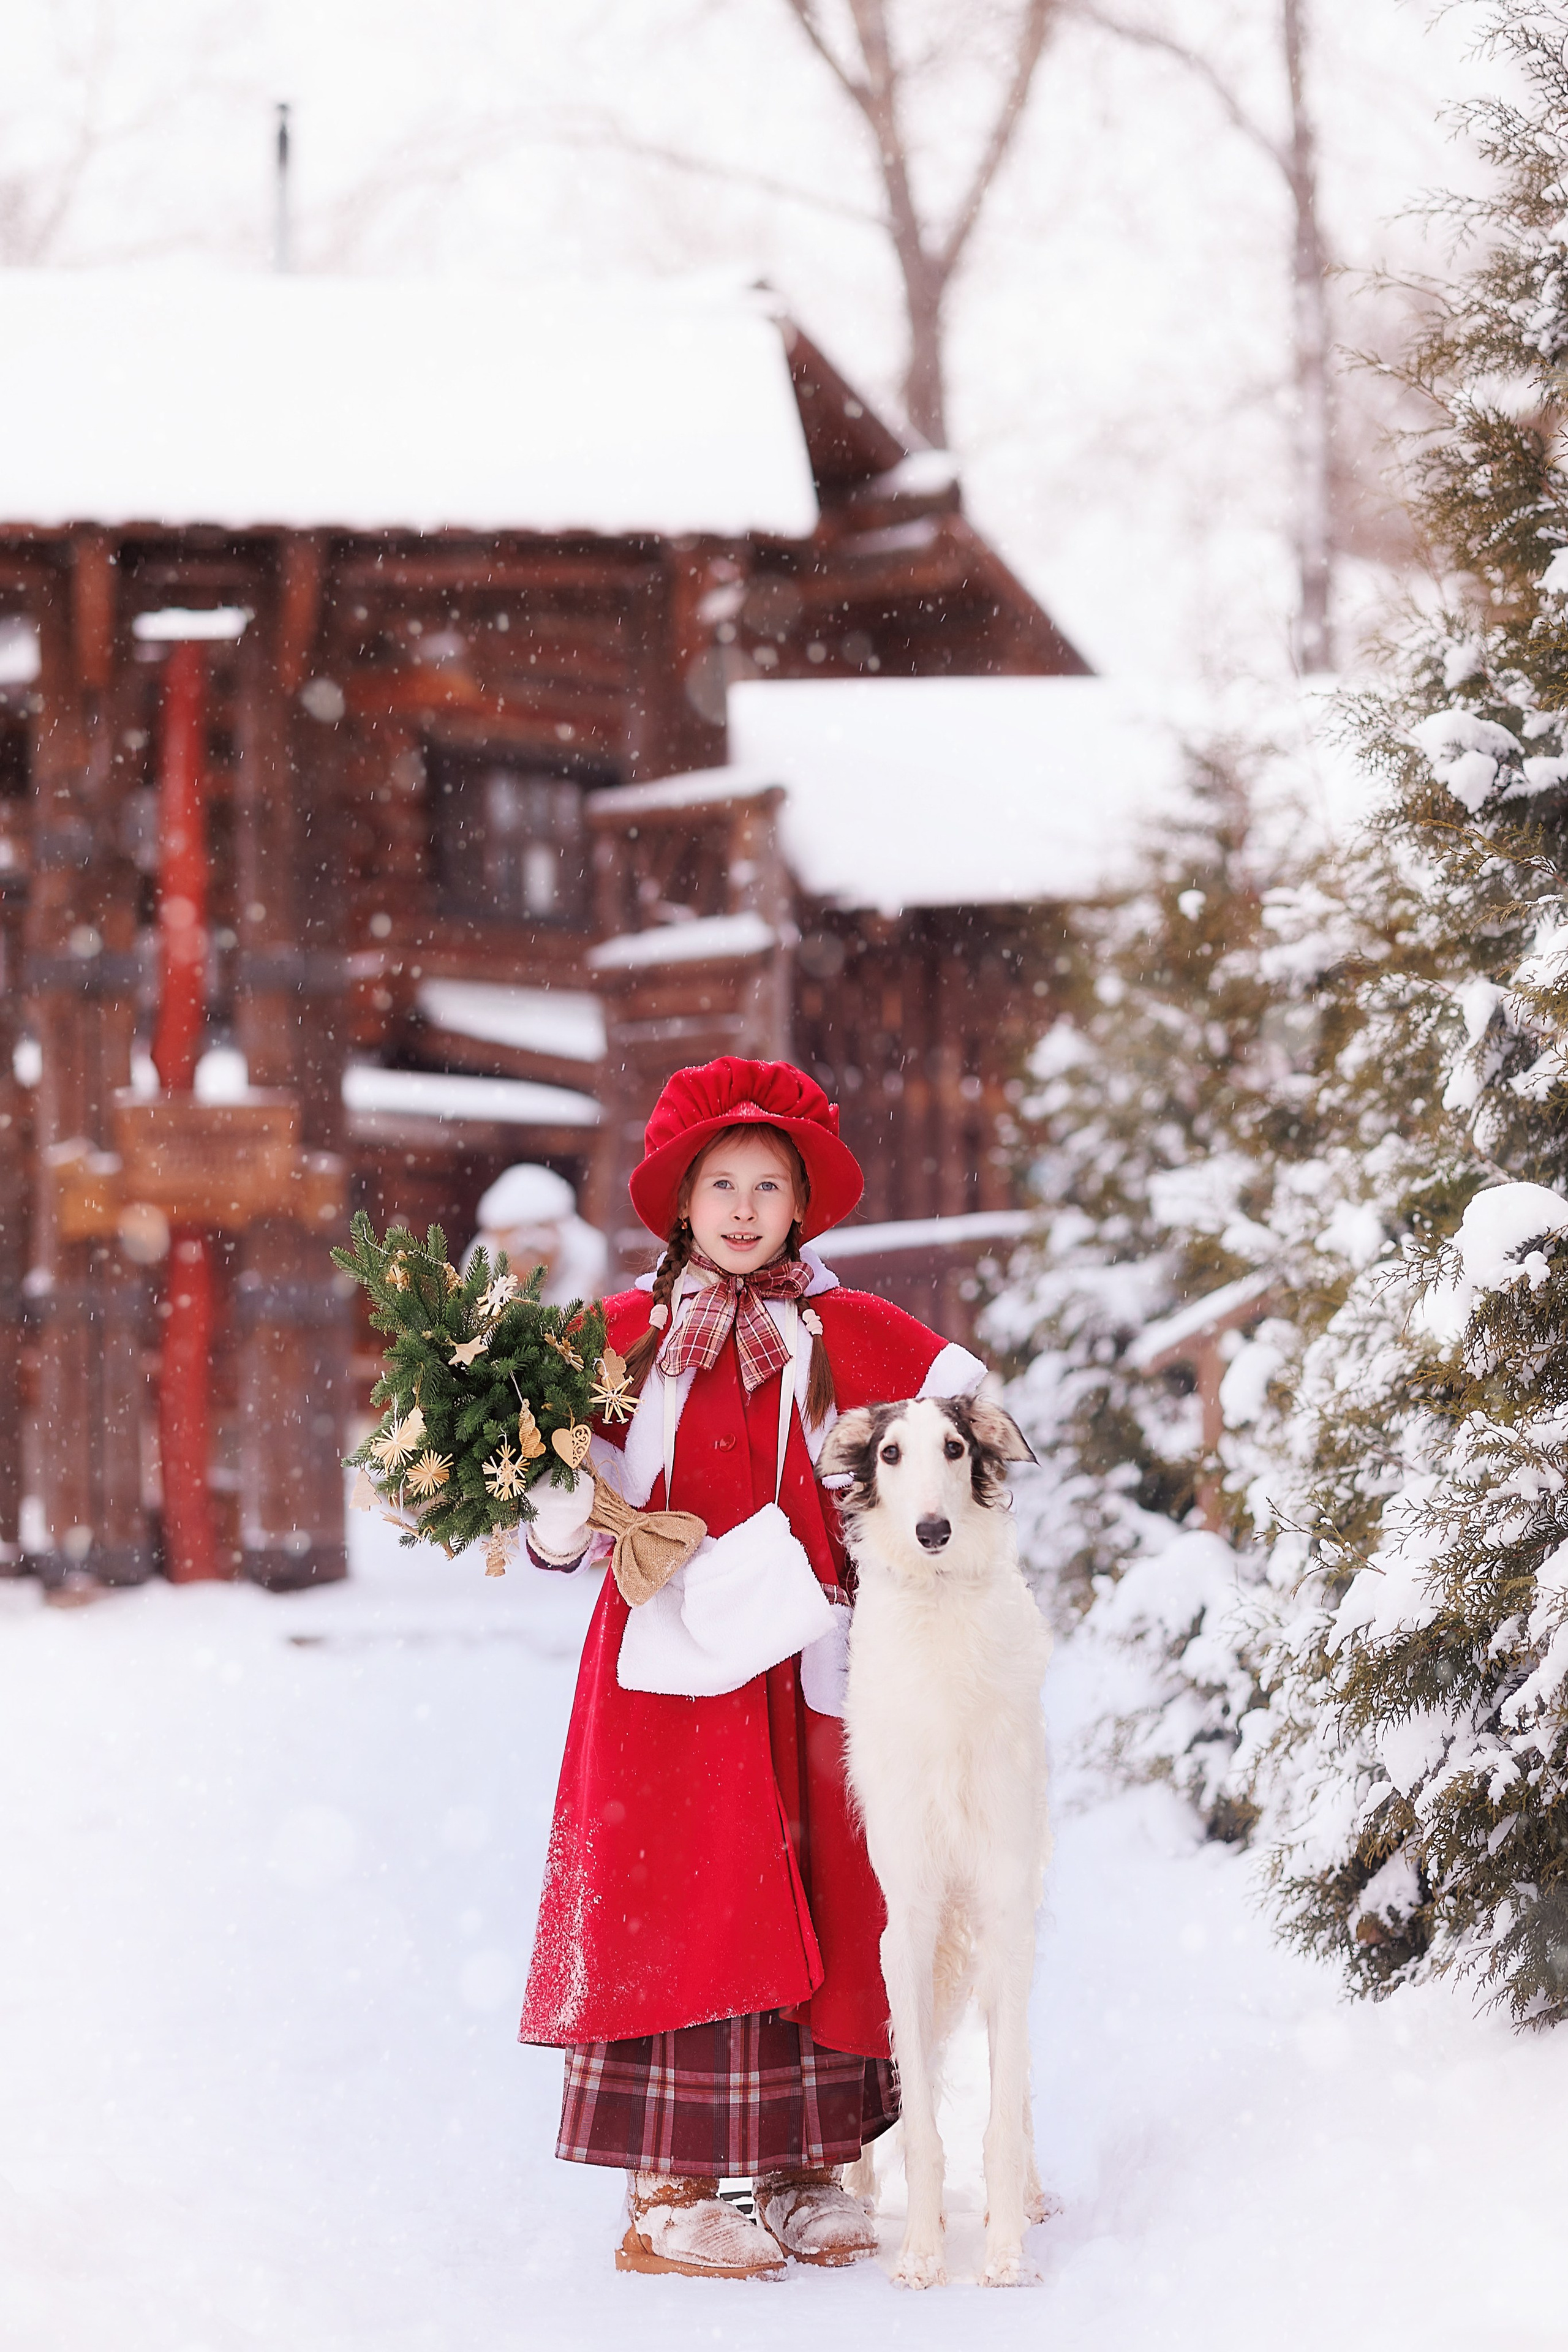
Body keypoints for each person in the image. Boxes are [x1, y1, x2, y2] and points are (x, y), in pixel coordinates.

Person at [516, 1057, 986, 2279]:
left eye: (765, 1186)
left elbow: (960, 1439)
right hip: (667, 1665)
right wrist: (564, 1508)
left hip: (806, 1652)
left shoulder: (842, 1331)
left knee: (820, 1884)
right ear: (681, 1203)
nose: (740, 1209)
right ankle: (667, 2188)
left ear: (799, 1205)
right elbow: (547, 1511)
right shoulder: (617, 1341)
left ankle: (800, 2164)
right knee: (682, 1893)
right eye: (718, 1185)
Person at [462, 1162, 607, 1306]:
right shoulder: (482, 1264)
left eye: (540, 1227)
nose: (527, 1240)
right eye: (512, 1232)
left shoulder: (586, 1257)